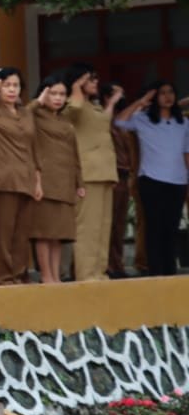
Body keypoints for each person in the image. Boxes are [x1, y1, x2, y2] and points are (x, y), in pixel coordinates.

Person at [115, 80, 189, 276]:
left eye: (171, 92)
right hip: (151, 180)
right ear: (154, 98)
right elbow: (119, 121)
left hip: (178, 181)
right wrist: (141, 101)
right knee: (154, 228)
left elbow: (186, 153)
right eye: (162, 93)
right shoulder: (142, 119)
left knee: (171, 229)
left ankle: (170, 271)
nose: (168, 96)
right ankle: (155, 271)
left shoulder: (184, 123)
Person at [0, 67, 42, 284]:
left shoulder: (25, 112)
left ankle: (19, 274)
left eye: (16, 85)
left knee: (22, 234)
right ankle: (3, 277)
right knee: (4, 233)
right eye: (7, 85)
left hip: (26, 177)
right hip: (2, 178)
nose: (12, 90)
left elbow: (34, 147)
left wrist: (38, 180)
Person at [63, 64, 121, 282]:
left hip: (104, 171)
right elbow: (74, 111)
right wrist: (76, 87)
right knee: (88, 226)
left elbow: (103, 123)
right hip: (87, 173)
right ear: (78, 81)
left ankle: (99, 271)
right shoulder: (73, 105)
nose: (96, 82)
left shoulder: (93, 106)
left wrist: (112, 104)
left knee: (103, 226)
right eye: (91, 79)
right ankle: (86, 274)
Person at [29, 74, 84, 284]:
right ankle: (46, 275)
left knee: (59, 233)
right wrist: (38, 101)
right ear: (44, 93)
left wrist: (80, 182)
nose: (58, 98)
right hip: (44, 180)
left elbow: (74, 152)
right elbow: (22, 113)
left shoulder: (64, 120)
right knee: (44, 231)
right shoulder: (35, 115)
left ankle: (56, 275)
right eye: (53, 93)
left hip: (65, 181)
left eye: (62, 94)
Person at [107, 85, 135, 277]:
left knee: (119, 225)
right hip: (111, 175)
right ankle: (107, 265)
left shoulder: (125, 122)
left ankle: (117, 264)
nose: (120, 96)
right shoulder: (105, 118)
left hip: (125, 176)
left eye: (122, 93)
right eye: (115, 93)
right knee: (106, 226)